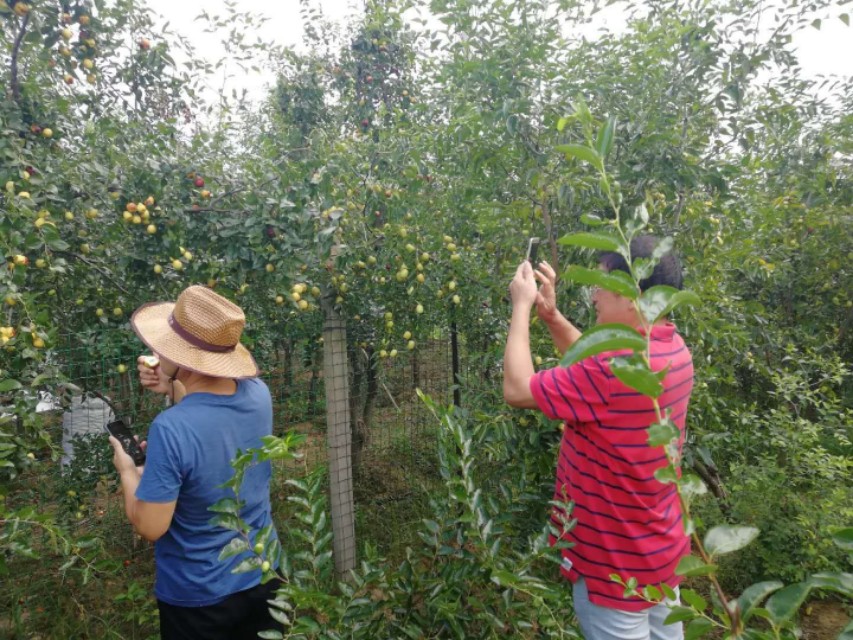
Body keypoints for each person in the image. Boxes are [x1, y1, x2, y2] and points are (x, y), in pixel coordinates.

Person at [503, 235, 693, 640]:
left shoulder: (610, 372)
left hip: (614, 570)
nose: (594, 292)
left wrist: (521, 307)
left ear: (631, 295)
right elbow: (596, 369)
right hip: (659, 554)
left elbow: (518, 389)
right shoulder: (673, 350)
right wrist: (552, 318)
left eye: (602, 282)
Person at [109, 285, 281, 640]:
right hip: (264, 571)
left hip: (201, 598)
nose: (154, 351)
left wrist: (129, 470)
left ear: (182, 355)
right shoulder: (259, 394)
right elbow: (214, 414)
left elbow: (151, 526)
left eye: (163, 345)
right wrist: (172, 386)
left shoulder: (171, 429)